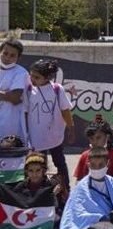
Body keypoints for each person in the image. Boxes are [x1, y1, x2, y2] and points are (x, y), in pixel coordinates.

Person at [24, 59, 74, 192]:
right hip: (36, 138)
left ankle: (65, 189)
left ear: (47, 78)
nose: (32, 79)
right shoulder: (29, 90)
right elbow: (24, 112)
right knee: (38, 165)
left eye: (37, 77)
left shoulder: (57, 89)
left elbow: (65, 110)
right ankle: (39, 190)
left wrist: (71, 128)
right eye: (31, 76)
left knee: (60, 163)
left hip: (54, 137)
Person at [73, 117, 113, 182]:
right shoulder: (85, 156)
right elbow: (79, 181)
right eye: (91, 138)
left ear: (107, 137)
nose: (94, 142)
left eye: (98, 138)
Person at [0, 38, 28, 140]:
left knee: (7, 153)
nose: (7, 58)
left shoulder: (21, 73)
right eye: (5, 53)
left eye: (12, 55)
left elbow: (15, 97)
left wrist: (9, 96)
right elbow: (8, 96)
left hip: (9, 122)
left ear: (18, 57)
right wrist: (5, 95)